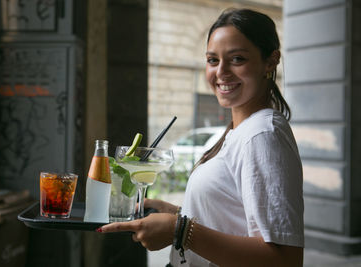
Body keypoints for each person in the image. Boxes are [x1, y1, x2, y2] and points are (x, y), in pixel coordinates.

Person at [98, 8, 304, 267]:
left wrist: (181, 230)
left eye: (237, 59)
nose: (221, 72)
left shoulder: (262, 135)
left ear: (270, 61)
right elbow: (234, 222)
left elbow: (284, 260)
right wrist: (176, 214)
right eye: (212, 60)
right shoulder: (240, 130)